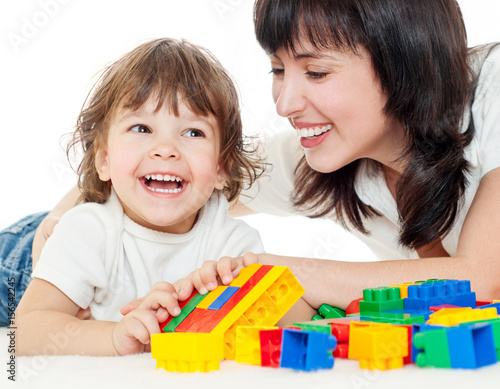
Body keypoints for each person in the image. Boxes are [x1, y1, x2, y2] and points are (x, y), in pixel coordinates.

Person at [170, 0, 500, 321]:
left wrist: (289, 274)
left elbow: (482, 281)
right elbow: (179, 182)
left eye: (316, 72)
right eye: (278, 69)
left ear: (405, 62)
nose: (284, 106)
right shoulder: (325, 151)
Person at [12, 38, 265, 355]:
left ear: (221, 167)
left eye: (193, 132)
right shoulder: (87, 232)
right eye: (142, 128)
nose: (166, 149)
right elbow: (22, 332)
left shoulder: (234, 247)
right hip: (19, 259)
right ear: (104, 158)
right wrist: (113, 337)